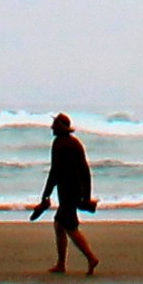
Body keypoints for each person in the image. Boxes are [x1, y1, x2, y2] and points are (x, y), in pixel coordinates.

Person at [29, 113, 99, 274]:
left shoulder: (60, 143)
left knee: (69, 226)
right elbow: (85, 170)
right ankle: (61, 264)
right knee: (60, 224)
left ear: (59, 127)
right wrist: (86, 195)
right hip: (72, 189)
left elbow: (55, 171)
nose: (51, 127)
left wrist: (45, 195)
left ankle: (91, 258)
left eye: (54, 124)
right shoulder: (74, 143)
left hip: (68, 190)